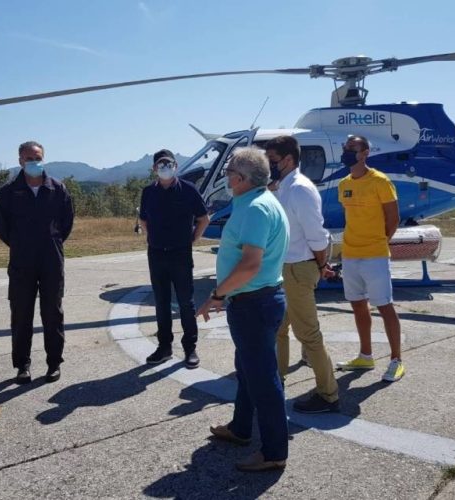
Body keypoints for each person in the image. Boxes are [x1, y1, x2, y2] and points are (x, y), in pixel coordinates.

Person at [197, 147, 289, 472]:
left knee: (263, 378)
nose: (225, 176)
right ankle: (240, 428)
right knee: (248, 370)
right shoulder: (257, 203)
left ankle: (275, 451)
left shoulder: (255, 209)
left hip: (254, 303)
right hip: (255, 300)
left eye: (227, 172)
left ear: (240, 178)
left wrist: (217, 293)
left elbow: (250, 264)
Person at [265, 135, 340, 413]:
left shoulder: (299, 189)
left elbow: (317, 238)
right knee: (278, 330)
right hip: (285, 268)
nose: (269, 165)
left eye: (272, 160)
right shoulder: (282, 187)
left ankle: (328, 394)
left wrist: (321, 266)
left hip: (299, 269)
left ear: (287, 160)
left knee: (308, 335)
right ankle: (277, 380)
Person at [0, 141, 74, 384]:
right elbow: (1, 227)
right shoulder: (9, 192)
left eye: (37, 157)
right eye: (29, 158)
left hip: (51, 260)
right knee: (21, 315)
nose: (33, 162)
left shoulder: (57, 189)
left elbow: (66, 223)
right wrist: (21, 245)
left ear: (44, 158)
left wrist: (52, 242)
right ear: (20, 161)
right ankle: (22, 366)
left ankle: (53, 364)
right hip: (22, 262)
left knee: (52, 313)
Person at [336, 135, 405, 382]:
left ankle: (396, 359)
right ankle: (365, 356)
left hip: (374, 255)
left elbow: (393, 218)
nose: (346, 151)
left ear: (365, 152)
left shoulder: (380, 181)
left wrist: (380, 243)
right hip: (351, 254)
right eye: (345, 147)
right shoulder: (343, 184)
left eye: (351, 147)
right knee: (357, 305)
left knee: (384, 306)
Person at [139, 149, 210, 369]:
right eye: (160, 164)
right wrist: (151, 239)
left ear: (176, 166)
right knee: (161, 303)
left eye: (168, 164)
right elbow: (143, 220)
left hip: (180, 253)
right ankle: (164, 347)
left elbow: (203, 218)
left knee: (185, 303)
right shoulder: (148, 192)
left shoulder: (188, 190)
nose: (164, 168)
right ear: (154, 168)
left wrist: (192, 239)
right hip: (157, 253)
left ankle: (190, 348)